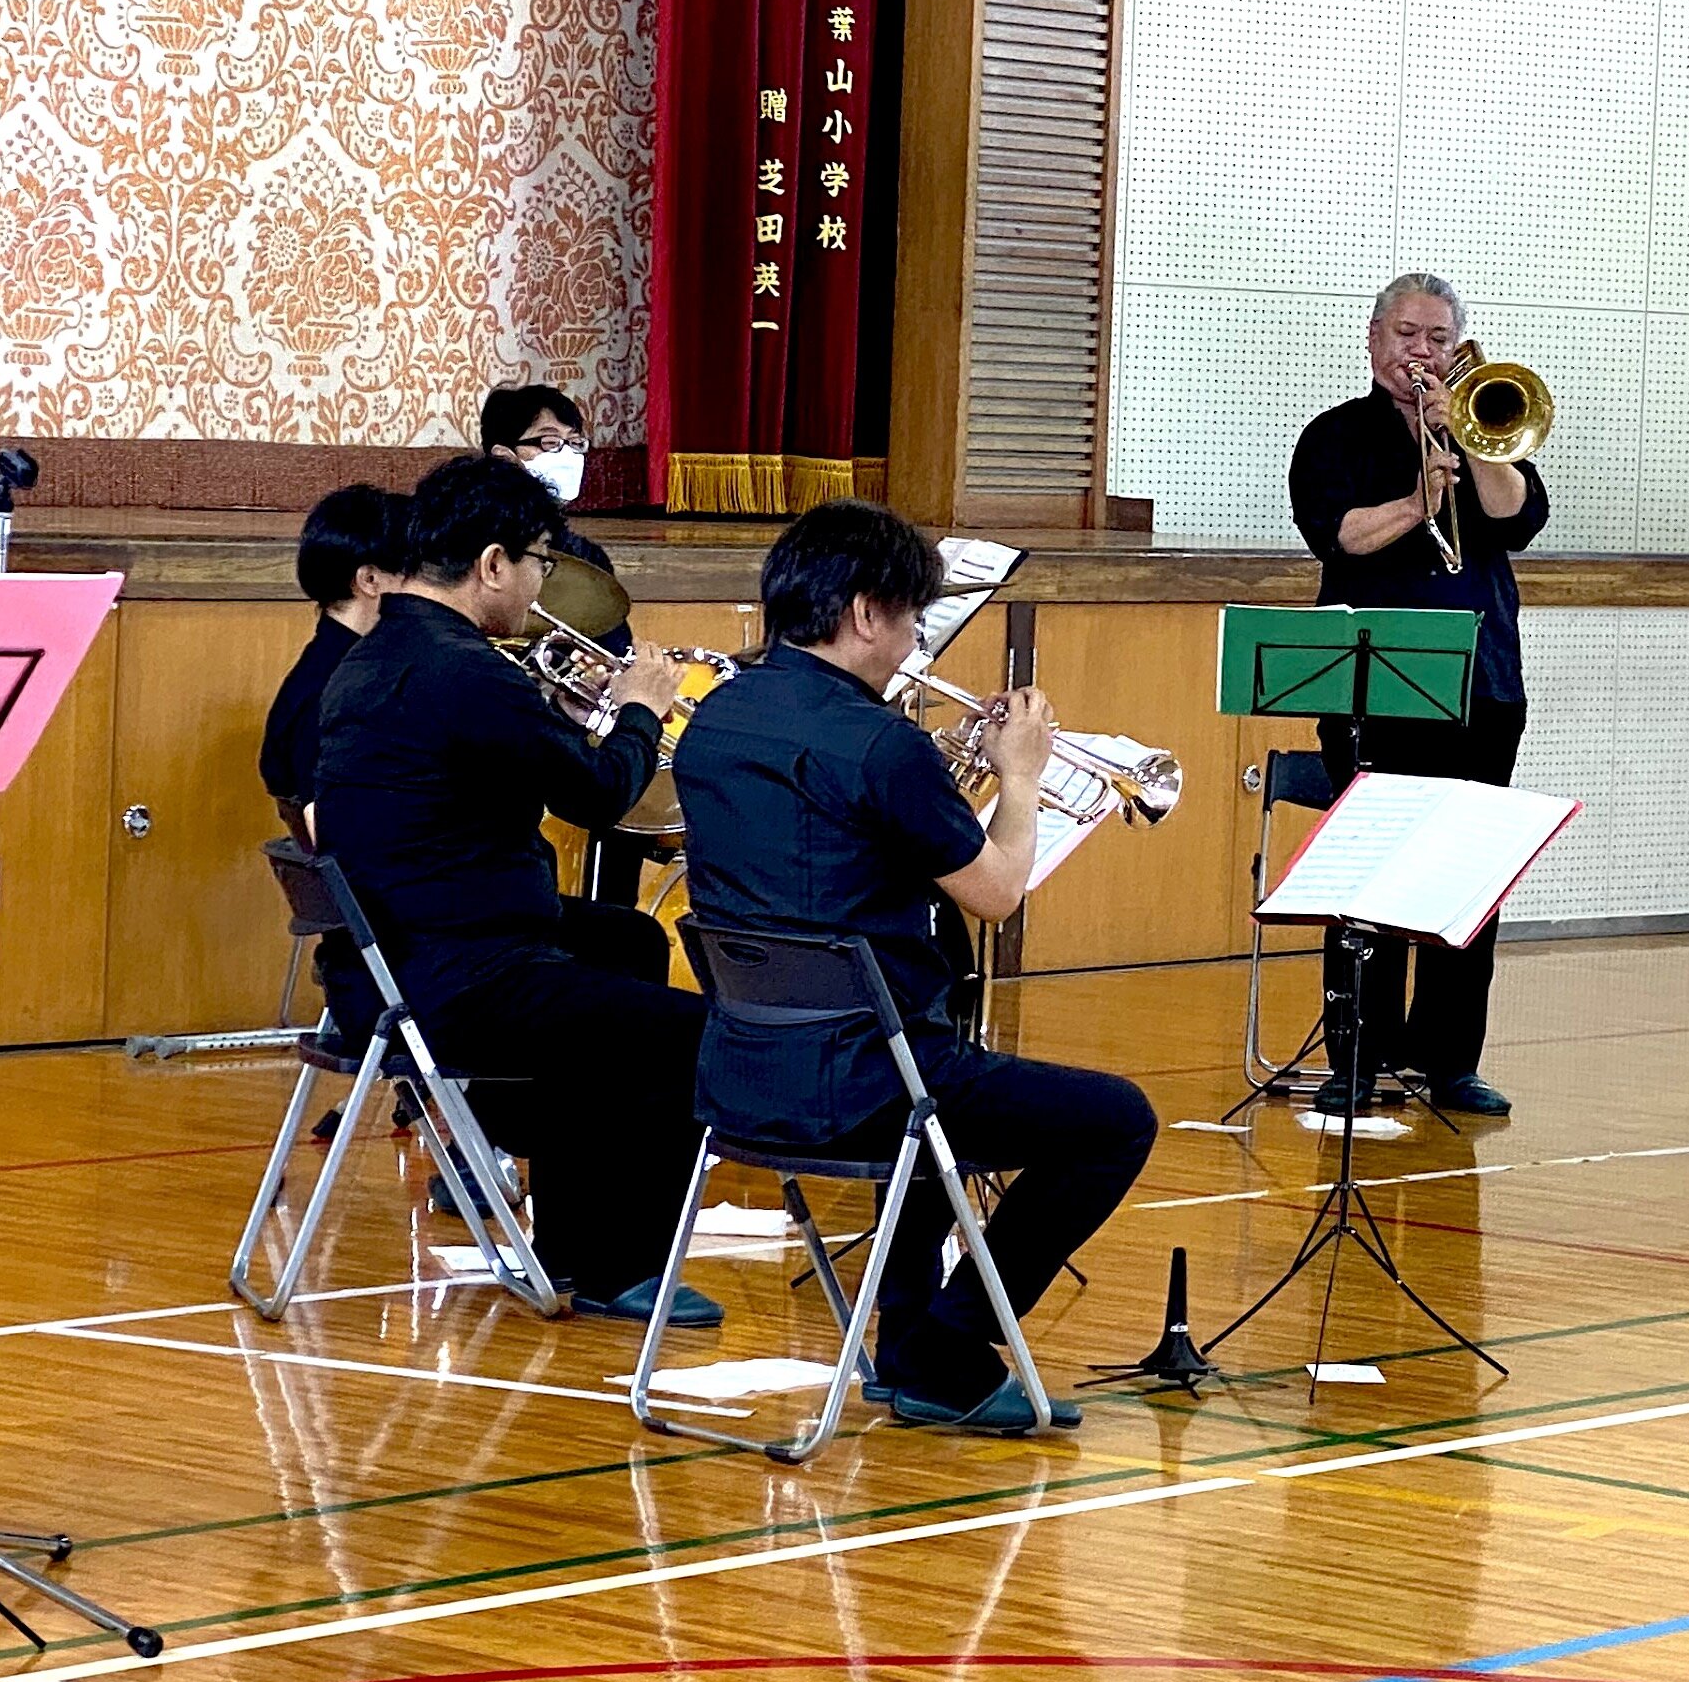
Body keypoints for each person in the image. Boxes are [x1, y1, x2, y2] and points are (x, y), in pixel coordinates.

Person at [672, 500, 1155, 1433]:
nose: (908, 647)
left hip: (741, 1074)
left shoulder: (717, 716)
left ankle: (904, 1344)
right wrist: (1018, 776)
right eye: (907, 621)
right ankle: (946, 1342)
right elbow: (996, 891)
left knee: (940, 1078)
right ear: (863, 612)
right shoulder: (880, 744)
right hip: (864, 1081)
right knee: (1112, 1120)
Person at [309, 455, 717, 1320]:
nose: (540, 585)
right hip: (458, 974)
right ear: (493, 564)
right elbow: (603, 795)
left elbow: (494, 765)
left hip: (390, 954)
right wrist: (641, 704)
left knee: (628, 941)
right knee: (694, 1034)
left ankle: (577, 1231)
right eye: (537, 562)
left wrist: (564, 723)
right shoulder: (467, 671)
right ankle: (619, 1264)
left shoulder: (382, 654)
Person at [1284, 272, 1549, 1118]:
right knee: (1368, 875)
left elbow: (1516, 517)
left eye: (1438, 338)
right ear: (1373, 341)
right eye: (1406, 335)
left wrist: (1467, 444)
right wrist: (1418, 497)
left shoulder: (1481, 422)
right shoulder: (1334, 436)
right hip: (1374, 689)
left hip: (1484, 685)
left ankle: (1449, 1060)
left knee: (1469, 878)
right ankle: (1357, 1058)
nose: (1422, 353)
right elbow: (1340, 535)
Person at [479, 383, 655, 907]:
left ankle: (606, 916)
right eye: (547, 443)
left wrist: (598, 689)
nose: (567, 457)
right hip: (509, 745)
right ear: (504, 457)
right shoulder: (467, 554)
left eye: (575, 444)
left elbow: (613, 653)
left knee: (631, 781)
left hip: (570, 723)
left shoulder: (584, 555)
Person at [257, 483, 407, 830]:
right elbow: (333, 831)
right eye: (416, 573)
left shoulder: (342, 665)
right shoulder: (337, 690)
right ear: (370, 579)